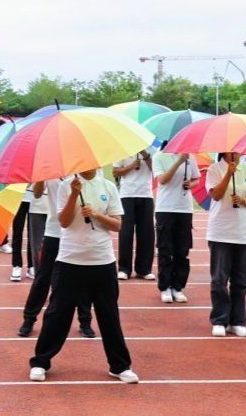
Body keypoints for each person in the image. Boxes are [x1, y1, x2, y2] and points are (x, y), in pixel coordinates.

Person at [27, 168, 136, 384]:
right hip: (70, 259)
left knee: (109, 315)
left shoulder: (108, 187)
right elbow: (64, 222)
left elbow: (117, 225)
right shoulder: (66, 186)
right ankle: (40, 362)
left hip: (102, 260)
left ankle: (120, 366)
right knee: (57, 313)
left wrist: (96, 214)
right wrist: (74, 195)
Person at [17, 177, 94, 339]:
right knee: (43, 277)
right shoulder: (49, 169)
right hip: (54, 231)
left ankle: (85, 321)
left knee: (82, 277)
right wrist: (41, 178)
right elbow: (37, 194)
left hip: (77, 232)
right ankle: (29, 319)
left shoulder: (82, 171)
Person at [205, 152, 246, 338]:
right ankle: (219, 320)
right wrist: (228, 173)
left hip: (243, 233)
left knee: (241, 281)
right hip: (221, 232)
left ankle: (237, 321)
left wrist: (243, 200)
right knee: (219, 280)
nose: (237, 152)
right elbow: (216, 195)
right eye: (234, 149)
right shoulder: (214, 169)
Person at [152, 149, 201, 303]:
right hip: (165, 208)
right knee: (165, 250)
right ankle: (165, 287)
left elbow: (196, 179)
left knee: (182, 250)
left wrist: (191, 184)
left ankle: (178, 287)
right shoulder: (159, 156)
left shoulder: (190, 156)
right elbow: (162, 180)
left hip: (184, 209)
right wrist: (179, 162)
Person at [111, 149, 155, 280]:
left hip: (146, 194)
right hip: (127, 194)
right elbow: (115, 172)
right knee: (126, 232)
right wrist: (131, 166)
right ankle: (124, 269)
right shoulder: (122, 149)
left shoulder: (152, 150)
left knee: (146, 233)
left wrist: (145, 155)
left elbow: (155, 170)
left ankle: (144, 269)